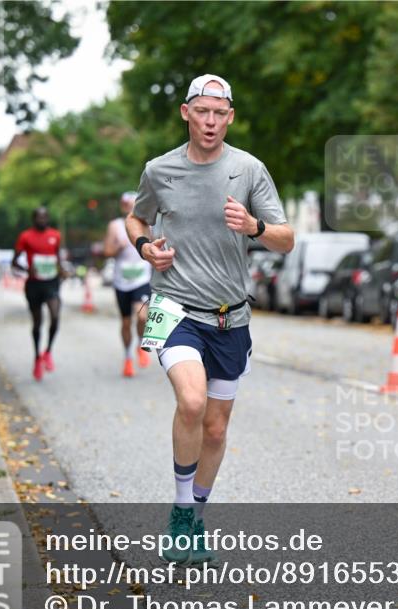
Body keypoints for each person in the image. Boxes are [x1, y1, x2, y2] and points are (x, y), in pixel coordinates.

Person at [126, 74, 294, 565]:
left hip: (230, 317)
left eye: (220, 114)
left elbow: (286, 238)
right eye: (203, 112)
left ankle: (196, 515)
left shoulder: (249, 170)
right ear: (186, 113)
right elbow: (137, 218)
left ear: (231, 118)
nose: (211, 122)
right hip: (172, 308)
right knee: (193, 400)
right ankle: (180, 515)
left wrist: (255, 226)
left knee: (216, 429)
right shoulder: (160, 170)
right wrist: (144, 247)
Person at [103, 191, 153, 378]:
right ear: (123, 206)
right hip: (121, 281)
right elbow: (107, 251)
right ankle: (127, 358)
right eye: (127, 204)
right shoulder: (115, 226)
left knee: (142, 317)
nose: (131, 207)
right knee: (125, 322)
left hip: (141, 279)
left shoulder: (148, 224)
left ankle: (141, 343)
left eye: (134, 203)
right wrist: (119, 247)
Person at [12, 207, 64, 381]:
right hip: (34, 284)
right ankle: (36, 357)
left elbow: (57, 258)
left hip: (51, 282)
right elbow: (14, 263)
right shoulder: (25, 237)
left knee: (55, 316)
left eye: (45, 217)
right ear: (33, 219)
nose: (42, 220)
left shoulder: (55, 235)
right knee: (37, 323)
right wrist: (27, 269)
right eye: (39, 218)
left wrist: (61, 270)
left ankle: (47, 351)